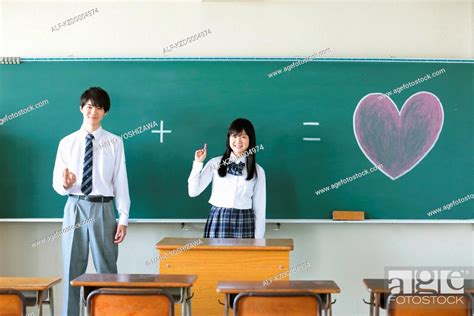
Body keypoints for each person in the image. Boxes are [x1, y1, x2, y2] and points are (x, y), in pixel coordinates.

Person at [52, 87, 130, 316]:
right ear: (81, 108)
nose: (93, 111)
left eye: (98, 107)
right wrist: (65, 184)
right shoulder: (67, 142)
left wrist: (123, 217)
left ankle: (109, 312)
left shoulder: (115, 142)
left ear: (105, 112)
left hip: (104, 208)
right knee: (71, 269)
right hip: (74, 205)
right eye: (89, 106)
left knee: (107, 270)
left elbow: (120, 181)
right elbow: (57, 184)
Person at [188, 118, 266, 238]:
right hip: (218, 219)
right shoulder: (215, 163)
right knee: (216, 257)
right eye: (234, 136)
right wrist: (198, 163)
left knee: (243, 257)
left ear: (250, 140)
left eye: (243, 136)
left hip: (244, 220)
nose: (238, 140)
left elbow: (260, 209)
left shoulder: (258, 171)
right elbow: (193, 192)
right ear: (229, 138)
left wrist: (258, 240)